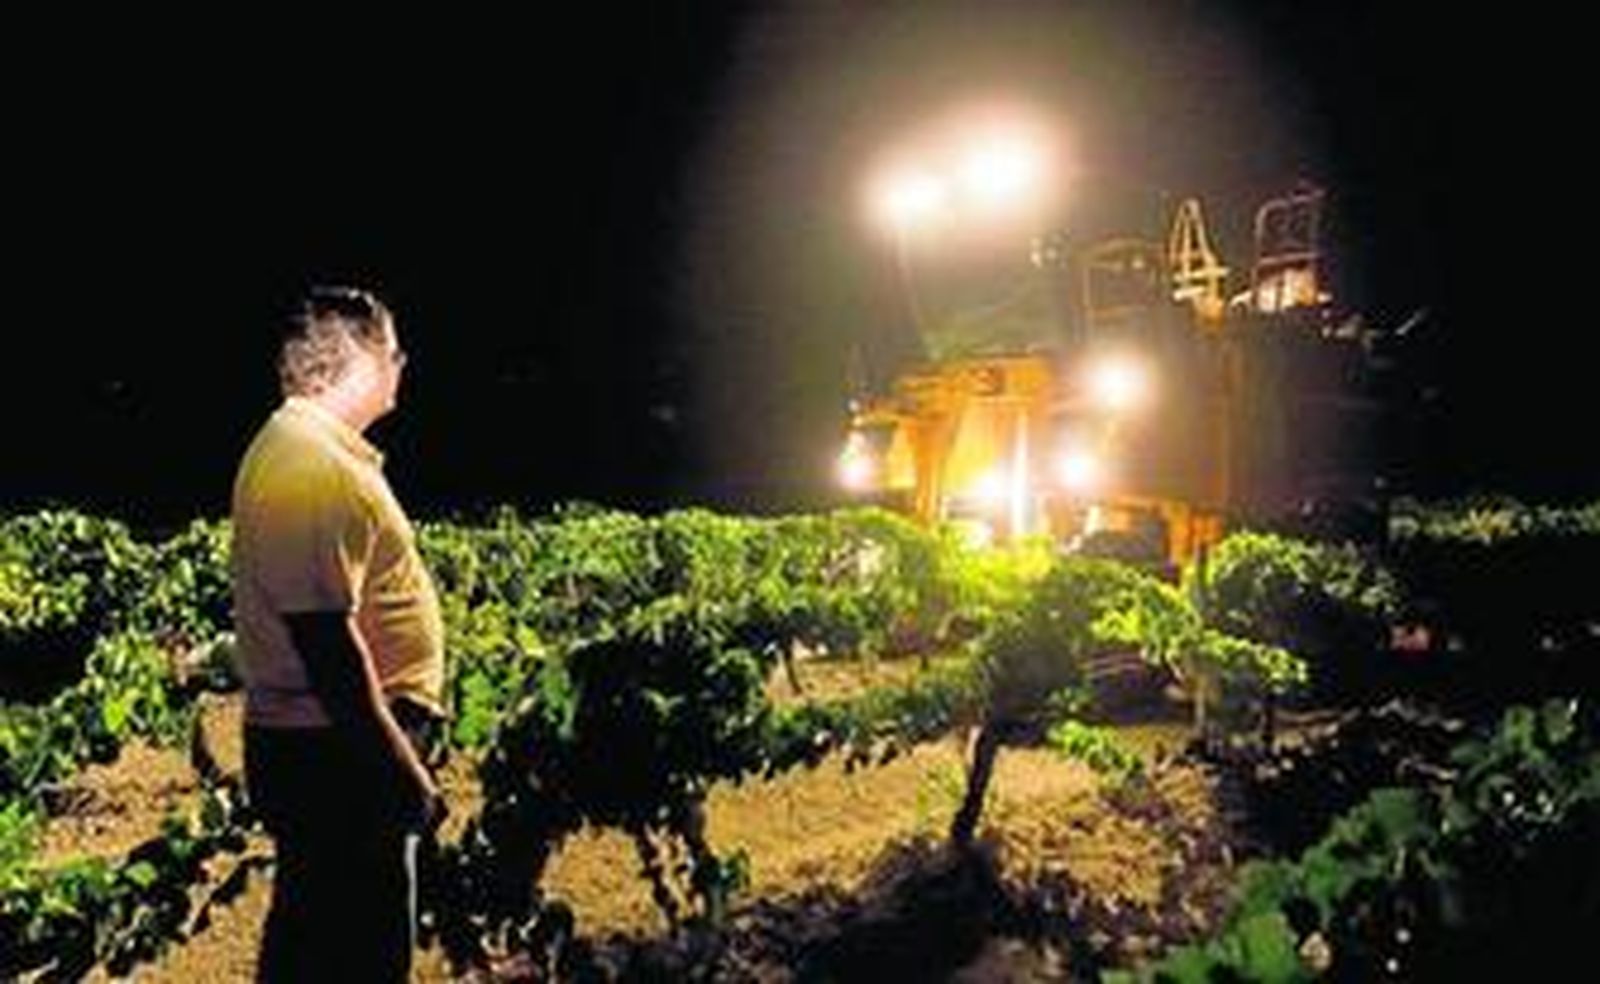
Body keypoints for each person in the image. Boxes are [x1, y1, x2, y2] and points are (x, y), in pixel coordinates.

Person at [230, 285, 446, 982]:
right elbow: (327, 648)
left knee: (312, 937)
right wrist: (402, 773)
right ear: (352, 356)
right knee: (356, 953)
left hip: (329, 751)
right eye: (391, 349)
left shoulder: (312, 452)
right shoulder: (309, 466)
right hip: (338, 757)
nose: (401, 363)